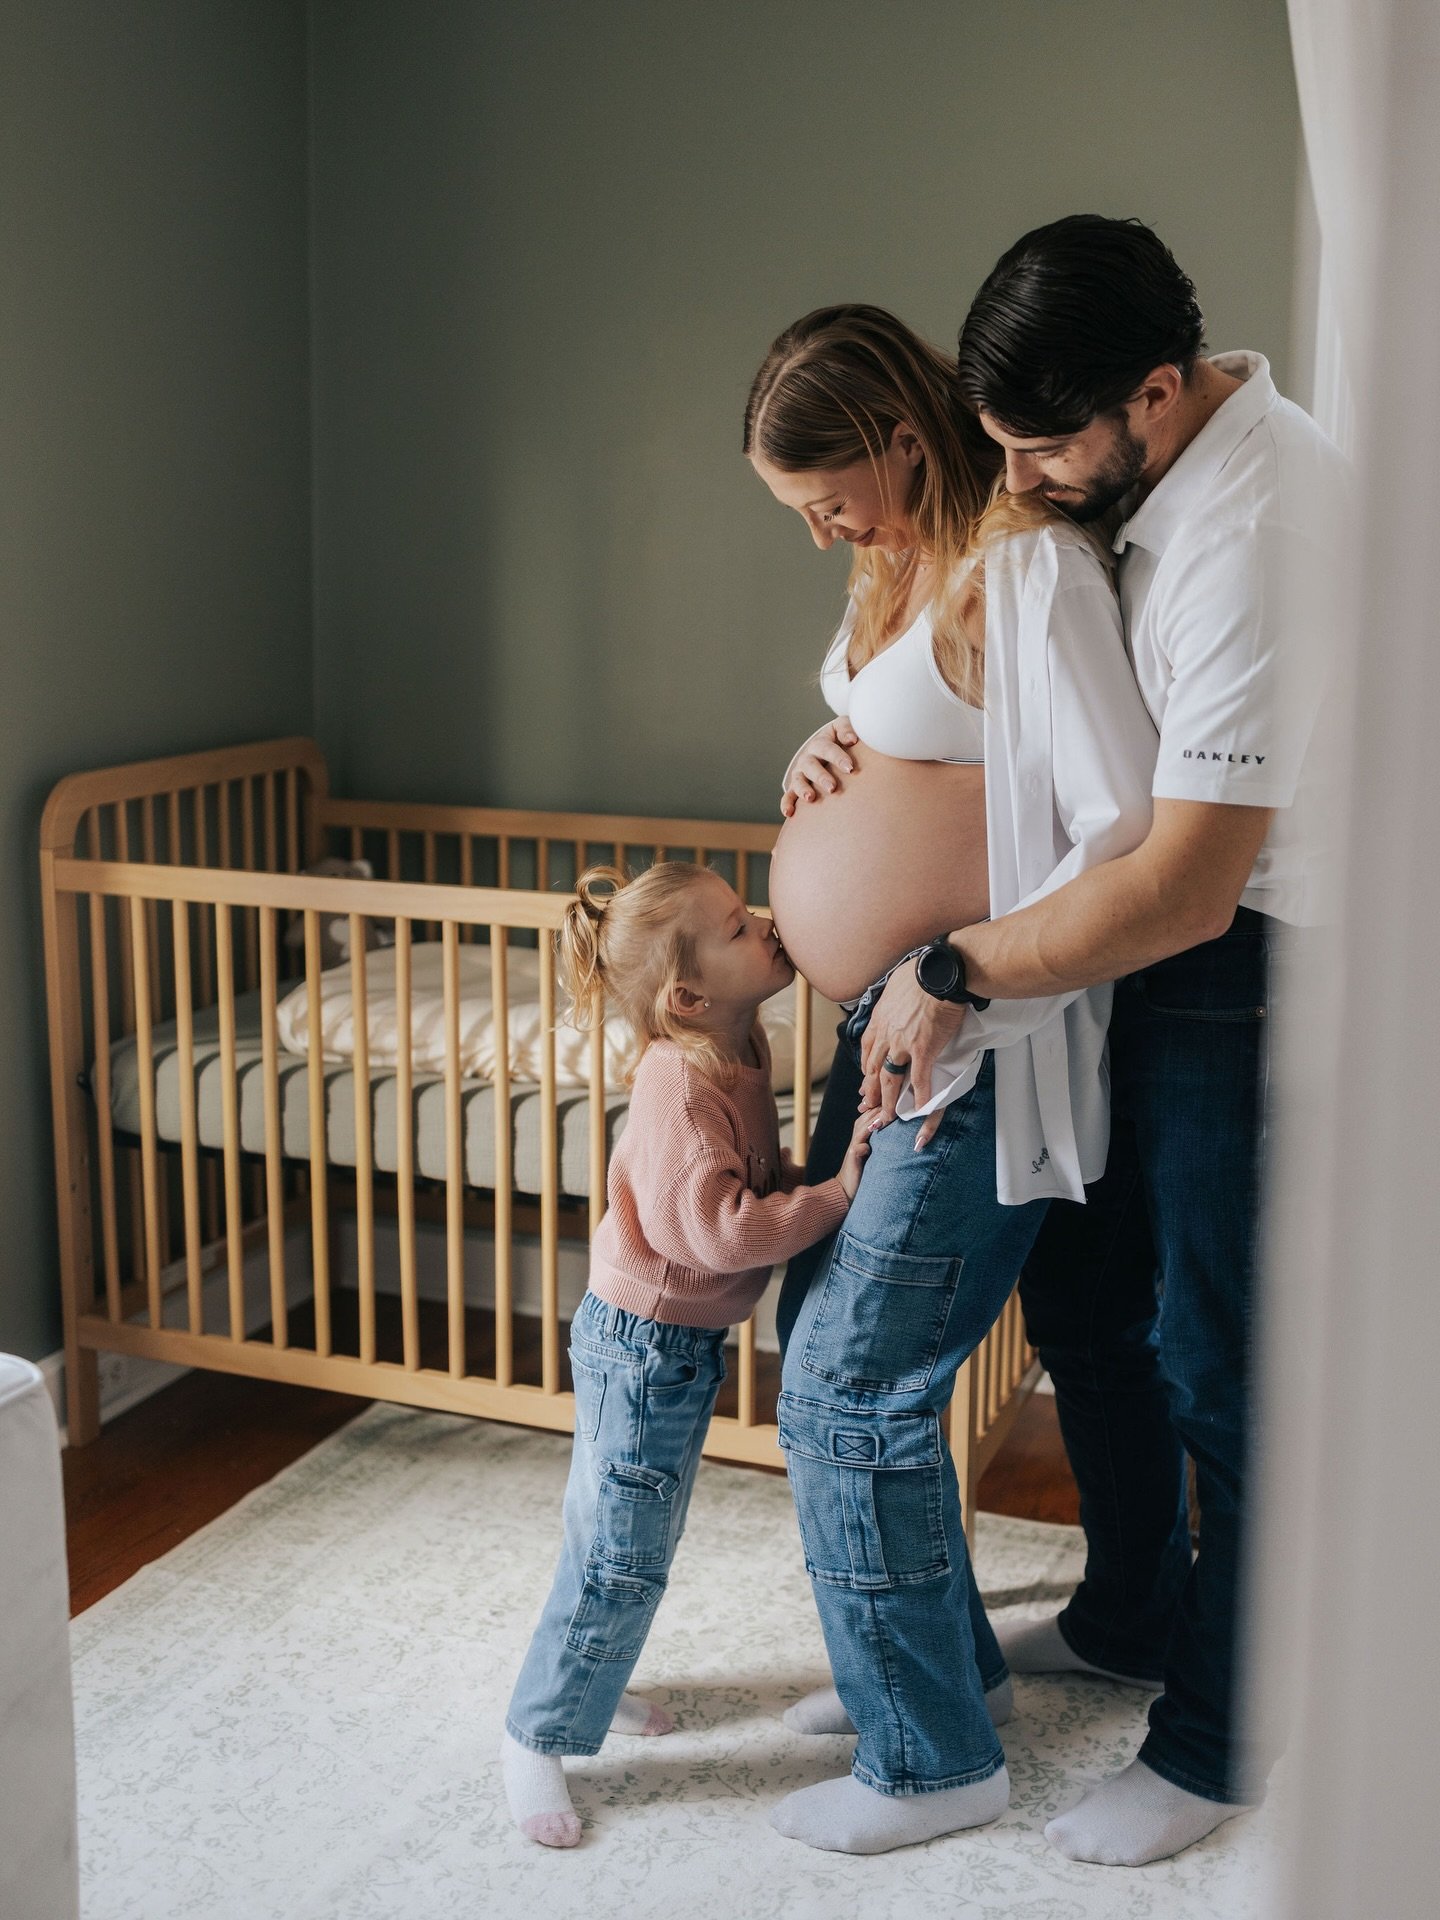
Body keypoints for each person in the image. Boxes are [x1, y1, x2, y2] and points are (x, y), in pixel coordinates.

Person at [859, 215, 1348, 1865]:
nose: (1028, 478)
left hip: (1258, 964)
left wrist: (958, 964)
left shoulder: (1259, 526)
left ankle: (1220, 1741)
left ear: (1155, 391)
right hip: (1160, 963)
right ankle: (1133, 1607)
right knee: (1089, 1298)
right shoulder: (1141, 478)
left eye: (1042, 446)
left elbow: (1193, 886)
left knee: (1226, 1358)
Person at [744, 305, 1158, 1855]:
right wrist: (825, 742)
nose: (822, 532)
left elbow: (1120, 822)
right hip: (887, 1032)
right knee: (828, 1346)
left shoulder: (1028, 565)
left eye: (826, 496)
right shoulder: (901, 564)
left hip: (977, 1040)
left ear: (900, 437)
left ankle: (932, 1762)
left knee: (855, 1387)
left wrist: (955, 975)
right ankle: (924, 1667)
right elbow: (933, 745)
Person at [500, 861, 875, 1848]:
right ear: (689, 996)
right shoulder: (679, 1084)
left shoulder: (743, 1045)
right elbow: (716, 1232)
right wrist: (832, 1199)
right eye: (738, 925)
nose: (765, 922)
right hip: (643, 1346)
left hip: (678, 1345)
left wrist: (812, 1177)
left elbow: (758, 1173)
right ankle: (535, 1733)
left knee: (635, 1545)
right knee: (618, 1551)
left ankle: (591, 1682)